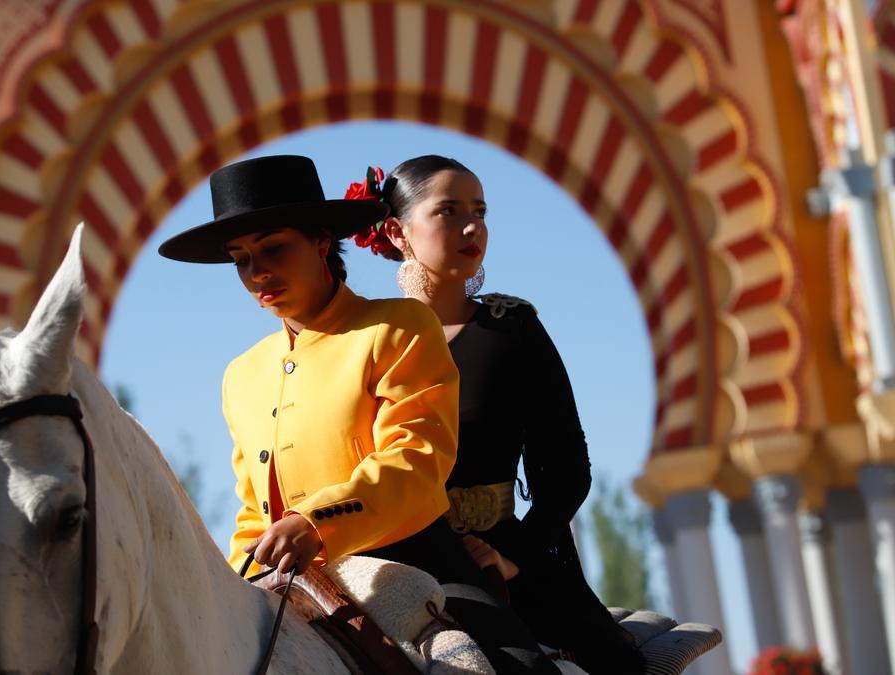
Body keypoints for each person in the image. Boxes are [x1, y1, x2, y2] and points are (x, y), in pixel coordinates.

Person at [159, 154, 560, 674]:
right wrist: (234, 582)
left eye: (274, 248)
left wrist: (315, 522)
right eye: (240, 259)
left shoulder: (398, 325)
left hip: (418, 560)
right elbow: (254, 509)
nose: (258, 272)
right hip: (282, 578)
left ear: (322, 242)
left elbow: (416, 459)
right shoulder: (242, 374)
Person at [349, 155, 645, 675]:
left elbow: (569, 471)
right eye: (448, 211)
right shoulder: (362, 342)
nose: (472, 227)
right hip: (394, 564)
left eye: (480, 212)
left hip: (504, 565)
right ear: (397, 232)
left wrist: (514, 558)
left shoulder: (514, 331)